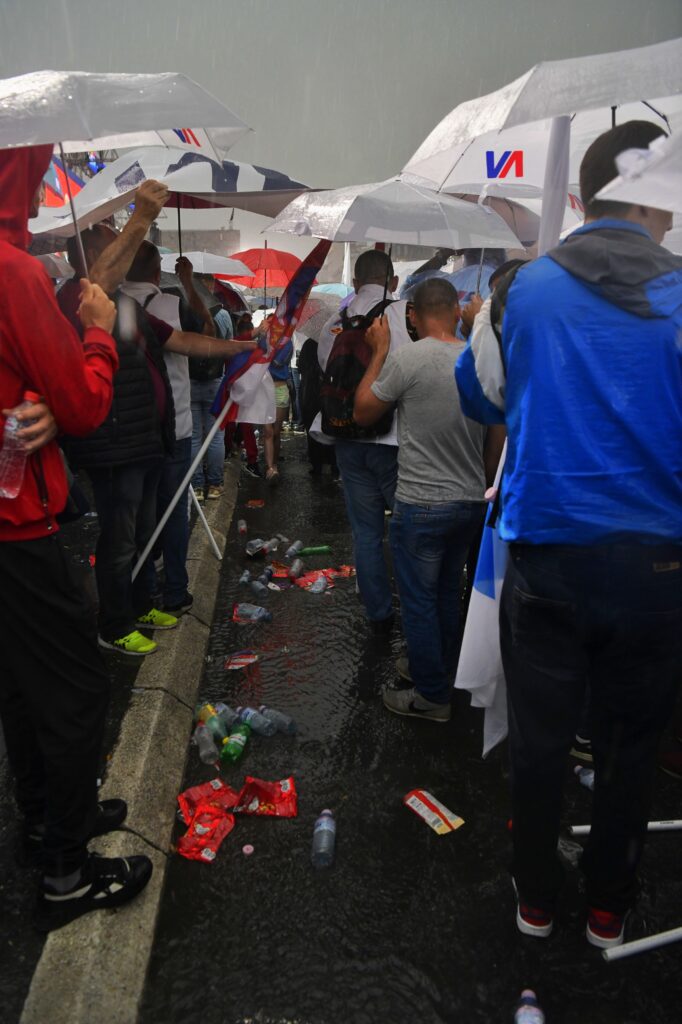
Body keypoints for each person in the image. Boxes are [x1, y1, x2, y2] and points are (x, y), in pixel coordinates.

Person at [455, 120, 682, 949]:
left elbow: (481, 400)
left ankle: (537, 898)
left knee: (542, 742)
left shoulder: (526, 290)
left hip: (547, 562)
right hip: (658, 567)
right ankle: (609, 906)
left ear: (583, 198)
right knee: (630, 748)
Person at [0, 144, 152, 931]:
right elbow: (88, 405)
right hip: (20, 523)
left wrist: (40, 401)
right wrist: (96, 333)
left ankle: (45, 822)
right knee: (75, 691)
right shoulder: (16, 272)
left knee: (25, 690)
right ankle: (64, 870)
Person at [60, 220, 255, 656]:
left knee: (146, 531)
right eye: (114, 246)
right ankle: (113, 624)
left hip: (145, 440)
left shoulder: (122, 302)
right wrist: (143, 215)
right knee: (119, 539)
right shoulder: (76, 301)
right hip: (113, 445)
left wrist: (243, 347)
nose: (125, 252)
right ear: (91, 259)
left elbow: (181, 340)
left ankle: (141, 605)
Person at [355, 279, 502, 721]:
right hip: (470, 501)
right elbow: (497, 435)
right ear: (457, 312)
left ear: (414, 316)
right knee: (444, 595)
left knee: (419, 601)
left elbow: (362, 411)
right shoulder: (480, 362)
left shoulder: (406, 358)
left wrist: (379, 350)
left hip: (421, 504)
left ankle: (432, 695)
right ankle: (437, 668)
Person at [316, 250, 412, 634]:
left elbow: (327, 370)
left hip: (345, 435)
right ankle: (415, 608)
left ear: (355, 282)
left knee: (366, 532)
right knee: (406, 530)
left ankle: (378, 612)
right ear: (393, 281)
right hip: (393, 437)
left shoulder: (335, 321)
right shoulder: (405, 315)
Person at [120, 243, 215, 615]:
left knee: (136, 516)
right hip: (173, 424)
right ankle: (175, 591)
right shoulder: (173, 303)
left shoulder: (109, 303)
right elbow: (205, 331)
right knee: (173, 509)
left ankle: (142, 594)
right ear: (159, 272)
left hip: (128, 427)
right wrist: (189, 283)